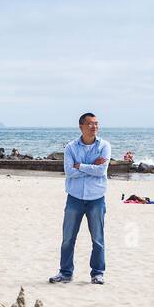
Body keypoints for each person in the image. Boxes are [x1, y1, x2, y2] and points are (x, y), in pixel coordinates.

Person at [49, 113, 111, 284]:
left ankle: (97, 273)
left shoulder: (104, 146)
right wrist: (92, 166)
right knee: (68, 238)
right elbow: (69, 172)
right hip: (74, 198)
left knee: (98, 239)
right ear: (81, 126)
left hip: (96, 198)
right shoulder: (70, 147)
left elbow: (102, 171)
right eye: (90, 124)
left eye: (97, 124)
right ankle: (65, 273)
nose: (94, 127)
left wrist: (80, 166)